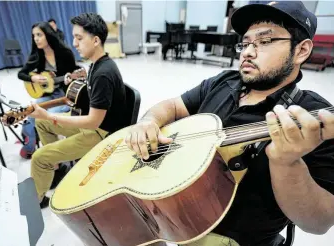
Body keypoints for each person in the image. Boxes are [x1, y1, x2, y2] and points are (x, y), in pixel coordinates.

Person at [126, 2, 334, 246]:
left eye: (264, 42)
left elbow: (319, 222)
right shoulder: (225, 81)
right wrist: (149, 120)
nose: (247, 52)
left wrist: (287, 163)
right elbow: (172, 106)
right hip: (175, 212)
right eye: (245, 43)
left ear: (301, 50)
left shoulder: (314, 116)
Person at [29, 13, 127, 209]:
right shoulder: (95, 65)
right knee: (41, 122)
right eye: (74, 37)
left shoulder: (103, 73)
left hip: (102, 135)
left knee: (38, 158)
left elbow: (93, 122)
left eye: (79, 38)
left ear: (96, 40)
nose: (74, 43)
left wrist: (50, 115)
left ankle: (37, 199)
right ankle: (56, 166)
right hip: (93, 125)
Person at [18, 22, 79, 160]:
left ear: (48, 35)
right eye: (34, 36)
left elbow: (75, 77)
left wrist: (69, 80)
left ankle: (55, 154)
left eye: (39, 35)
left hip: (65, 96)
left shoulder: (65, 53)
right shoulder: (37, 55)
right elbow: (21, 74)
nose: (36, 39)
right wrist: (34, 78)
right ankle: (31, 144)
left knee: (46, 115)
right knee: (31, 111)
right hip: (49, 94)